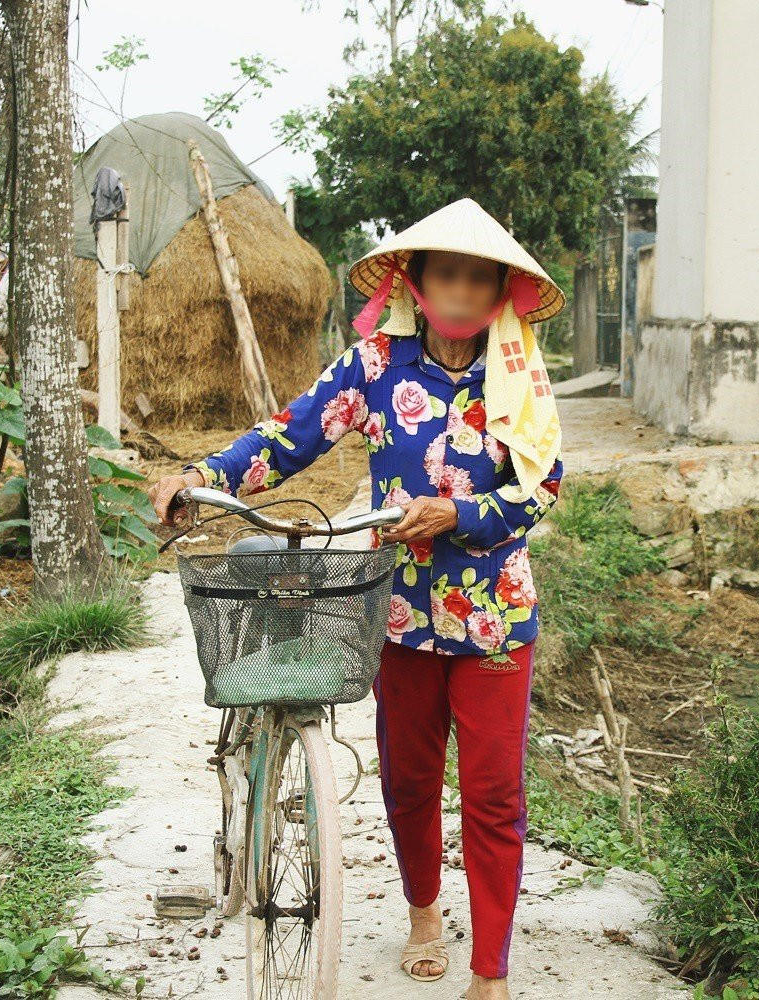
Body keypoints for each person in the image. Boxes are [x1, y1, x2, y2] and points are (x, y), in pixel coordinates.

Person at [148, 197, 565, 1000]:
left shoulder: (518, 375)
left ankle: (492, 971)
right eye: (447, 275)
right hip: (397, 612)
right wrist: (205, 474)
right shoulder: (374, 366)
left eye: (480, 280)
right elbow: (292, 433)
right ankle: (423, 915)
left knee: (493, 794)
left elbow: (541, 486)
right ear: (418, 281)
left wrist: (459, 514)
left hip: (496, 618)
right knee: (408, 782)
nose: (462, 293)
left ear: (499, 292)